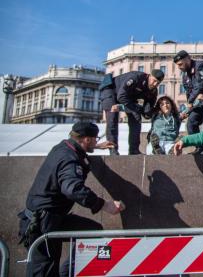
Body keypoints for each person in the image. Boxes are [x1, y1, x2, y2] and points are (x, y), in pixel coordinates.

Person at [18, 122, 125, 277]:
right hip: (42, 222)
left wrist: (96, 147)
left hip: (53, 217)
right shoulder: (69, 158)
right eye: (95, 139)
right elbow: (72, 189)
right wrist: (103, 205)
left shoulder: (63, 148)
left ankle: (66, 273)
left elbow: (79, 153)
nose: (96, 141)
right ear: (86, 139)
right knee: (44, 270)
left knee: (92, 231)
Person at [99, 69, 164, 155]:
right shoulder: (136, 78)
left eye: (158, 83)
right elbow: (121, 97)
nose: (155, 84)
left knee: (136, 120)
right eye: (154, 81)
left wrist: (154, 112)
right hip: (112, 91)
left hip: (129, 99)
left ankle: (134, 150)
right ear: (149, 76)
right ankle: (113, 149)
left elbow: (147, 112)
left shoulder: (153, 91)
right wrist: (137, 108)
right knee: (112, 119)